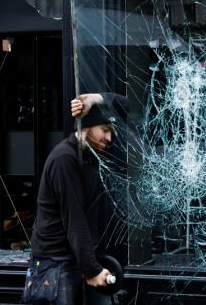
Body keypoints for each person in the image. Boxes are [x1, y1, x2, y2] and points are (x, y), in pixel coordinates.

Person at [27, 93, 124, 304]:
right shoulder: (65, 159)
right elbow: (75, 219)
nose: (109, 138)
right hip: (55, 264)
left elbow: (134, 105)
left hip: (77, 258)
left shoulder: (89, 156)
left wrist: (98, 98)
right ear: (86, 127)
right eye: (105, 130)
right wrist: (92, 270)